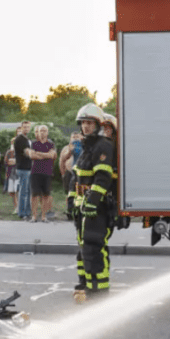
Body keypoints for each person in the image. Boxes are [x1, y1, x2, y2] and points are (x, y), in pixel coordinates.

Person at [69, 103, 116, 301]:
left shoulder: (103, 146)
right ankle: (86, 283)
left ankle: (99, 290)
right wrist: (72, 201)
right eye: (83, 123)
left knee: (94, 247)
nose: (86, 126)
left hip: (97, 209)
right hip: (83, 208)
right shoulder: (86, 148)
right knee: (84, 248)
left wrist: (93, 203)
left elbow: (102, 178)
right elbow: (75, 177)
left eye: (90, 123)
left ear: (98, 125)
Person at [28, 125, 56, 222]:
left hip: (47, 172)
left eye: (44, 131)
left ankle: (44, 216)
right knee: (34, 195)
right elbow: (32, 155)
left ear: (47, 132)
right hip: (35, 172)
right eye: (41, 131)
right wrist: (46, 155)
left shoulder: (51, 144)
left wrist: (39, 153)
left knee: (46, 195)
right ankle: (34, 216)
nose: (42, 132)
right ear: (38, 132)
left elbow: (52, 155)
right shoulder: (33, 143)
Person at [60, 132, 83, 220]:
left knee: (81, 192)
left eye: (77, 136)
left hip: (84, 172)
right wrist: (70, 151)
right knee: (71, 192)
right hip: (74, 172)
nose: (76, 138)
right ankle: (70, 211)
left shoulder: (86, 144)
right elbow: (64, 158)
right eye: (74, 136)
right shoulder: (72, 145)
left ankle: (80, 211)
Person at [14, 121, 32, 219]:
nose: (26, 129)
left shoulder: (27, 139)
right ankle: (22, 213)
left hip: (29, 168)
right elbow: (27, 152)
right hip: (22, 168)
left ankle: (27, 212)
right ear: (21, 128)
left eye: (28, 127)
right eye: (24, 127)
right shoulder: (19, 139)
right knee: (23, 191)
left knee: (28, 191)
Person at [3, 139, 19, 211]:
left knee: (17, 191)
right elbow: (7, 162)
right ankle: (15, 206)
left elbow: (21, 162)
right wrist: (14, 161)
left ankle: (19, 207)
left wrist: (15, 161)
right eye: (13, 143)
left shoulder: (21, 151)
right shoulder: (9, 152)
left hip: (18, 174)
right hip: (10, 174)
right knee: (11, 192)